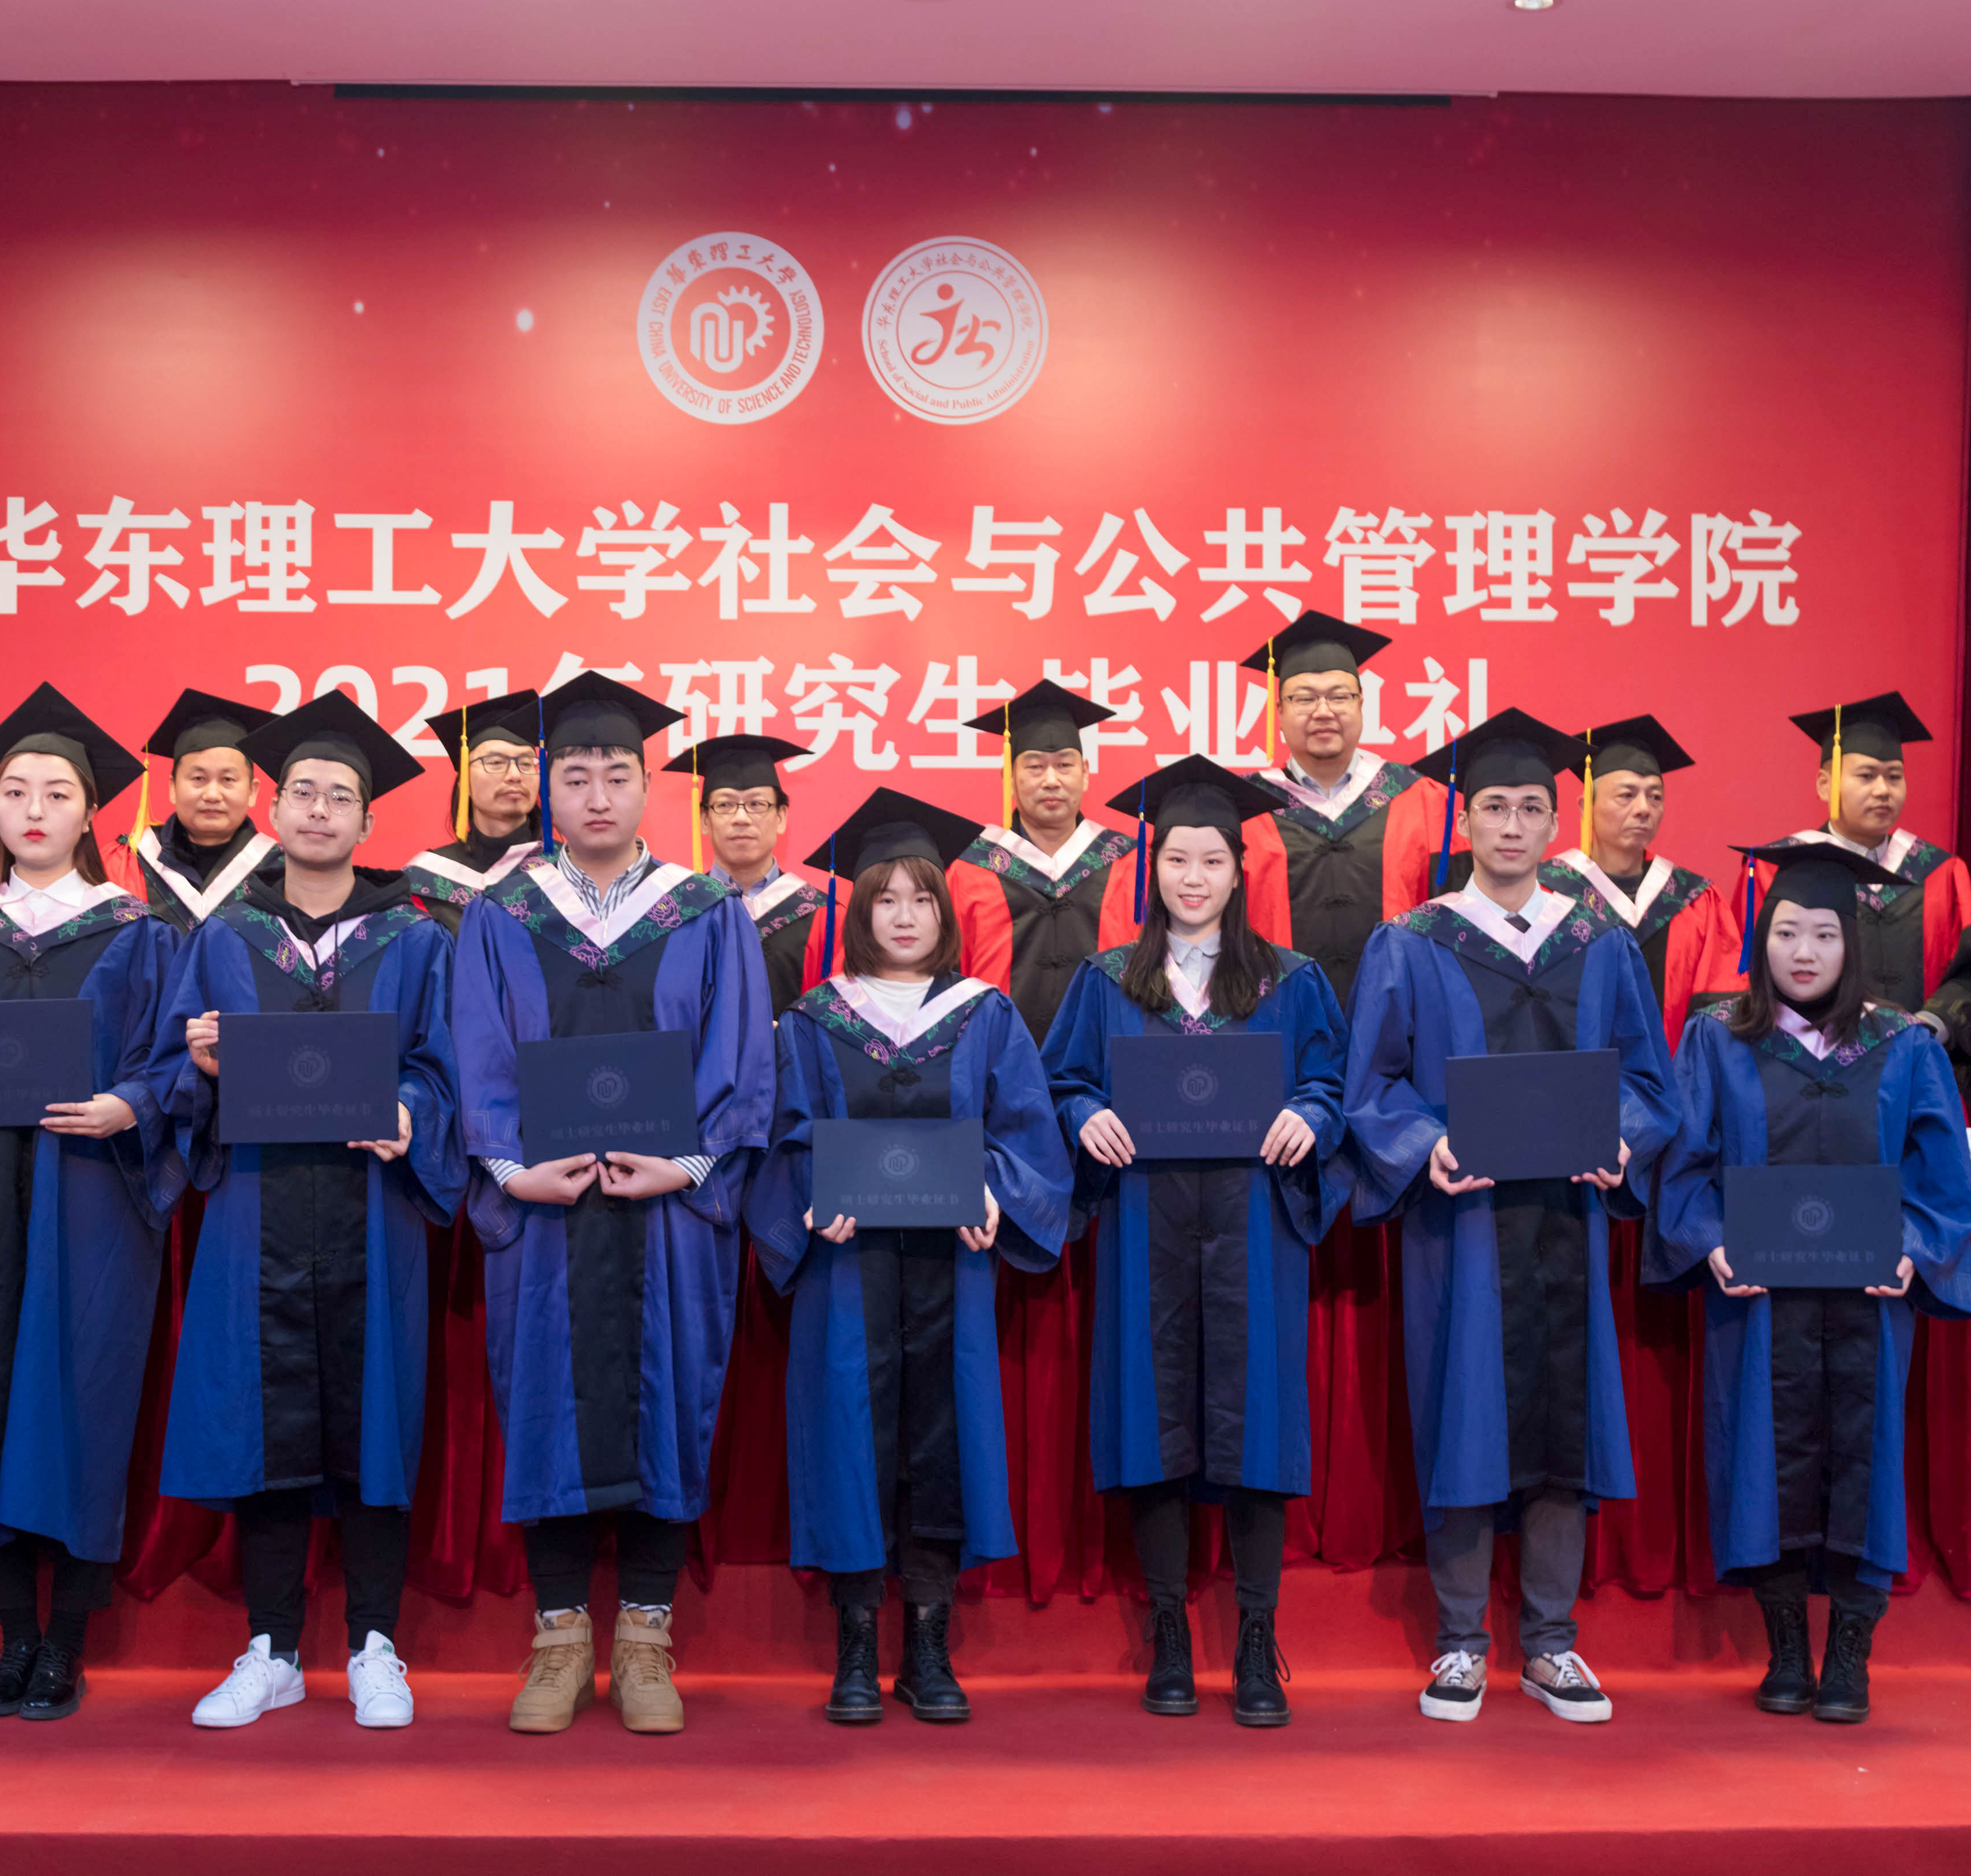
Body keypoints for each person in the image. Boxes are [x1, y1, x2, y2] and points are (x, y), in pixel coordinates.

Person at [447, 672, 775, 1736]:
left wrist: (688, 1164)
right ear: (548, 788)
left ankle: (643, 1637)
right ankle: (557, 1640)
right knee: (543, 1403)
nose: (596, 795)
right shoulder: (499, 914)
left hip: (668, 1213)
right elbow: (477, 1051)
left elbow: (740, 1059)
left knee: (668, 1398)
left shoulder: (707, 911)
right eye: (576, 775)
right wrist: (510, 1171)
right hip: (544, 1213)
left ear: (647, 787)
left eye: (617, 775)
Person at [1342, 708, 1679, 1728]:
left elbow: (1649, 1085)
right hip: (1462, 1224)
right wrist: (1424, 1146)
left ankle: (1550, 1643)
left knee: (1563, 1421)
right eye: (1493, 807)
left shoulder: (1599, 942)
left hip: (1566, 1218)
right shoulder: (1412, 942)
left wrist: (1620, 1139)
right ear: (1467, 820)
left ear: (1553, 823)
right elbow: (1372, 1086)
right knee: (1463, 1411)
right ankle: (1458, 1641)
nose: (1512, 825)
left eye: (1531, 808)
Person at [157, 689, 463, 1733]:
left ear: (369, 820)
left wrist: (411, 1111)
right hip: (257, 1211)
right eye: (302, 792)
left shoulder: (413, 939)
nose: (320, 810)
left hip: (373, 1210)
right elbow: (174, 1071)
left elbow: (443, 1067)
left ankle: (375, 1643)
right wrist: (200, 1068)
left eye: (340, 796)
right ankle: (273, 1649)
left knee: (374, 1424)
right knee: (265, 1421)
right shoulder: (222, 939)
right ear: (273, 810)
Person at [1043, 756, 1353, 1728]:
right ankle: (1170, 1634)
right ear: (1154, 868)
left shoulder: (1289, 980)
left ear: (1236, 871)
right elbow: (1060, 1082)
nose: (1192, 877)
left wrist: (1312, 1113)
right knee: (1155, 1418)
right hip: (1144, 1221)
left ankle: (1257, 1639)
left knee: (1254, 1421)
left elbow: (1332, 1081)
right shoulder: (1105, 981)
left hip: (1254, 1222)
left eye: (1211, 860)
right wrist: (1083, 1113)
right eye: (1176, 859)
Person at [749, 789, 1070, 1725]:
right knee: (851, 1431)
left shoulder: (985, 1015)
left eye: (920, 898)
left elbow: (1026, 1131)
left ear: (943, 910)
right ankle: (855, 1642)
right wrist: (812, 1192)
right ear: (858, 911)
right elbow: (782, 1134)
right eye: (883, 898)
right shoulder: (813, 1020)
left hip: (949, 1270)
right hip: (847, 1268)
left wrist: (994, 1191)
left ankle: (928, 1642)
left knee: (940, 1432)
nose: (901, 915)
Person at [0, 684, 179, 1721]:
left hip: (92, 1197)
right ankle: (13, 1632)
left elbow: (170, 1067)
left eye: (56, 793)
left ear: (90, 812)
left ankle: (67, 1641)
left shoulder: (138, 934)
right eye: (14, 790)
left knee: (84, 1394)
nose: (32, 809)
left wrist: (129, 1104)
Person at [1649, 839, 1971, 1724]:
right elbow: (1683, 1168)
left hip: (1870, 1300)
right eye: (1786, 931)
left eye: (1824, 934)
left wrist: (1912, 1247)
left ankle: (1852, 1652)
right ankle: (1787, 1645)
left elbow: (1943, 1178)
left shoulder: (1903, 1045)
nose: (1803, 951)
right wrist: (1710, 1242)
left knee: (1865, 1459)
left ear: (1850, 944)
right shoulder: (1720, 1039)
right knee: (1765, 1459)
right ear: (1760, 939)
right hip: (1758, 1303)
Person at [1100, 613, 1443, 1005]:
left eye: (1339, 696)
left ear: (1361, 703)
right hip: (1269, 1013)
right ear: (1278, 710)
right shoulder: (1243, 809)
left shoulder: (1422, 799)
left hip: (1402, 1017)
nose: (1323, 711)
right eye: (1304, 698)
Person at [1781, 693, 1971, 1098]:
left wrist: (1928, 1026)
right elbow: (1751, 980)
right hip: (1811, 1084)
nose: (1883, 789)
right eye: (1866, 776)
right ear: (1825, 784)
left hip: (1917, 1079)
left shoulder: (1941, 872)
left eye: (1894, 776)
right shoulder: (1785, 868)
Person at [1537, 715, 1745, 1052]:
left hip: (1678, 1082)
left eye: (1655, 797)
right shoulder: (1546, 892)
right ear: (1586, 805)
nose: (1643, 809)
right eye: (1627, 795)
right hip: (1576, 1081)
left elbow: (1722, 1006)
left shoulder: (1695, 899)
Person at [950, 679, 1139, 1040]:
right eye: (1035, 767)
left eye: (1065, 765)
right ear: (1009, 775)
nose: (1051, 780)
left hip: (1109, 1059)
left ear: (1085, 773)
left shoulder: (1129, 864)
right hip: (996, 1058)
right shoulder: (969, 870)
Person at [667, 731, 825, 1016]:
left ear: (781, 817)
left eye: (757, 804)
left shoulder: (822, 916)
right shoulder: (676, 913)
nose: (741, 818)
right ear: (704, 820)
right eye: (725, 805)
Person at [120, 687, 283, 933]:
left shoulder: (281, 870)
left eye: (228, 780)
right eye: (198, 779)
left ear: (252, 791)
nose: (212, 795)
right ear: (173, 787)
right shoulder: (129, 862)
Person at [408, 690, 545, 933]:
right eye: (495, 762)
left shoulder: (567, 870)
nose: (515, 775)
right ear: (465, 783)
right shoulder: (424, 881)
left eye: (526, 763)